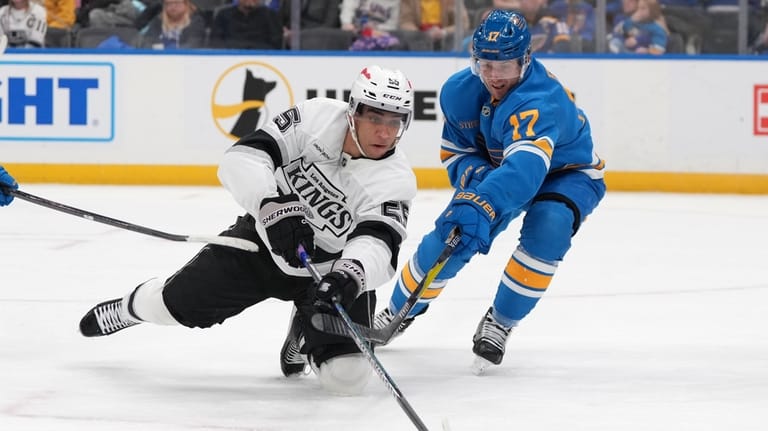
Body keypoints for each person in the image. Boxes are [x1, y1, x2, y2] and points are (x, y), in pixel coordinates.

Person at [78, 65, 417, 396]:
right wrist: (270, 205)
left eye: (395, 121)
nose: (384, 133)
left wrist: (348, 277)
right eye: (375, 118)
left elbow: (378, 241)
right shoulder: (317, 118)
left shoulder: (396, 180)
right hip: (261, 246)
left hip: (328, 274)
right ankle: (130, 308)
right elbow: (244, 156)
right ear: (353, 112)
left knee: (347, 379)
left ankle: (305, 331)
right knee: (171, 306)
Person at [373, 10, 606, 373]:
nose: (495, 76)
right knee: (453, 233)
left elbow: (525, 171)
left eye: (506, 66)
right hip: (501, 171)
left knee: (550, 225)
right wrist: (478, 180)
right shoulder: (458, 91)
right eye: (486, 65)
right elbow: (457, 153)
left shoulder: (539, 100)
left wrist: (484, 199)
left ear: (525, 60)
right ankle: (398, 310)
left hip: (566, 173)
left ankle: (501, 321)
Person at [138, 0, 206, 49]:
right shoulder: (158, 21)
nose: (173, 7)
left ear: (186, 4)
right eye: (168, 4)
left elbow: (193, 45)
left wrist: (169, 49)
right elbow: (147, 42)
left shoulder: (196, 21)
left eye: (177, 3)